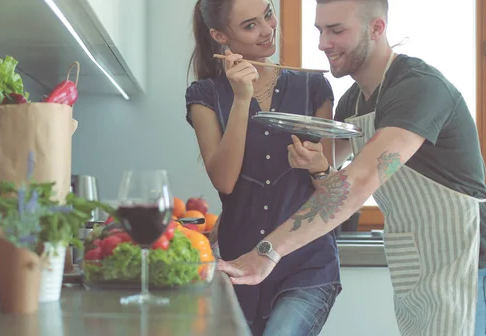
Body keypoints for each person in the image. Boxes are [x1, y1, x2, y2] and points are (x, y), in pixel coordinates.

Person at [217, 0, 486, 335]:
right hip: (419, 259)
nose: (322, 43)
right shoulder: (353, 102)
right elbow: (333, 185)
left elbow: (359, 182)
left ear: (376, 29)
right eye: (319, 30)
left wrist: (268, 251)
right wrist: (316, 168)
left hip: (470, 259)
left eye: (336, 30)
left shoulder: (418, 88)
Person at [184, 0, 343, 334]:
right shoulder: (205, 95)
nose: (268, 29)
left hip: (308, 265)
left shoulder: (313, 88)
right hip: (240, 265)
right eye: (250, 25)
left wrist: (318, 166)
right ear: (220, 35)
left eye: (268, 14)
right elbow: (225, 182)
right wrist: (242, 99)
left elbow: (331, 194)